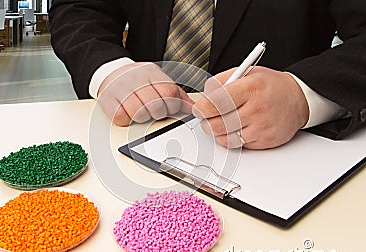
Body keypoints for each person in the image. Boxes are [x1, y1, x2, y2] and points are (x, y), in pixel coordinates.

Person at [49, 0, 366, 149]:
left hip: (276, 154)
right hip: (133, 136)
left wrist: (302, 95)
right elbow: (80, 7)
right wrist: (109, 69)